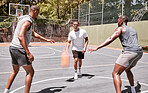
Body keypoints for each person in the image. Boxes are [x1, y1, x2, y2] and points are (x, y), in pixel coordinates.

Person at [3, 5, 55, 93]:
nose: (38, 15)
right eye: (38, 13)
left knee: (15, 70)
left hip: (13, 47)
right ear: (34, 11)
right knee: (30, 72)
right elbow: (20, 36)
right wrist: (28, 52)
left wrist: (46, 40)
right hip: (19, 49)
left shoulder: (24, 19)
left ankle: (6, 91)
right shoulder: (28, 21)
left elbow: (33, 34)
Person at [87, 16, 143, 93]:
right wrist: (138, 84)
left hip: (129, 52)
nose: (117, 22)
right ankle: (133, 90)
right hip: (139, 52)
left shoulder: (120, 28)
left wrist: (97, 47)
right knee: (128, 69)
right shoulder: (133, 30)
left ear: (121, 21)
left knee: (115, 73)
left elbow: (111, 38)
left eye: (118, 20)